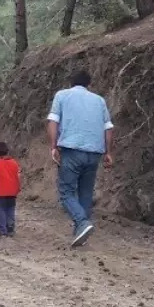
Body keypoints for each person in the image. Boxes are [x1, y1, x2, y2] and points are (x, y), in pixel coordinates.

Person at [46, 69, 114, 247]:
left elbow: (53, 121)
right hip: (95, 152)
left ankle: (82, 222)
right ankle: (80, 230)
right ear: (88, 84)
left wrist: (53, 146)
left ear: (71, 82)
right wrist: (108, 152)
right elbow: (108, 127)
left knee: (66, 192)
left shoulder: (62, 95)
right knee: (85, 192)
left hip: (72, 150)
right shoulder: (99, 100)